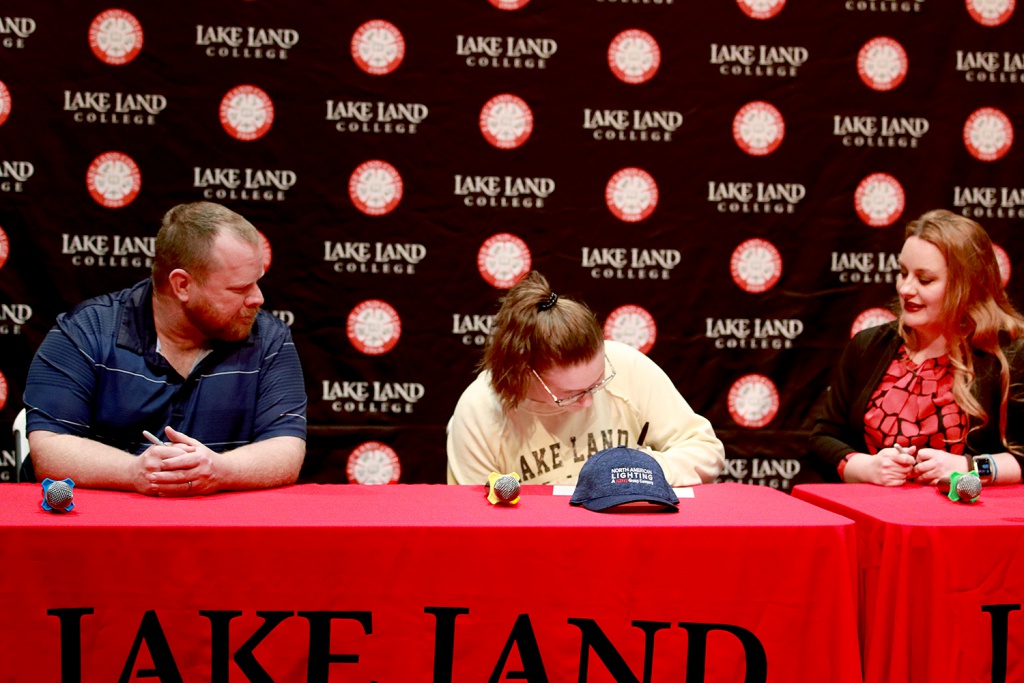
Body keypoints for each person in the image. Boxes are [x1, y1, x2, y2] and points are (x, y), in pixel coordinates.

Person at [23, 201, 307, 495]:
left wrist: (220, 470)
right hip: (105, 530)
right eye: (239, 288)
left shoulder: (269, 338)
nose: (257, 299)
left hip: (224, 530)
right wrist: (133, 472)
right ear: (182, 285)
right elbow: (50, 448)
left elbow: (286, 448)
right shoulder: (86, 331)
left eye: (257, 283)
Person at [447, 271, 725, 486]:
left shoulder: (626, 364)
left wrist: (644, 471)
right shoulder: (481, 408)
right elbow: (471, 521)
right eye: (571, 393)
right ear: (523, 373)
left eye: (599, 382)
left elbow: (705, 450)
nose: (589, 401)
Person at [811, 209, 1024, 486]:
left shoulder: (1009, 353)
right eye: (903, 273)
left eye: (925, 279)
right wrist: (865, 467)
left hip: (964, 524)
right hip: (875, 519)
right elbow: (823, 438)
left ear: (966, 286)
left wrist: (969, 467)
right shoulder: (869, 346)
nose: (905, 288)